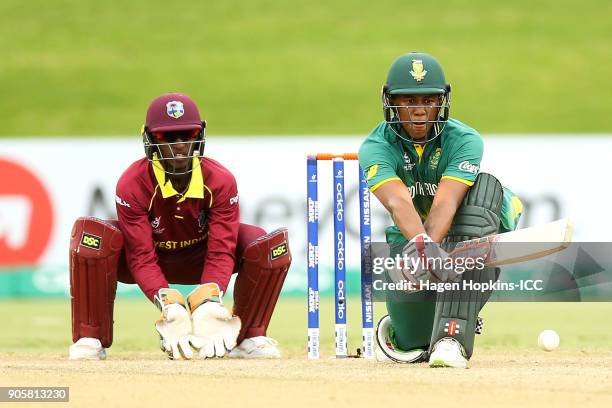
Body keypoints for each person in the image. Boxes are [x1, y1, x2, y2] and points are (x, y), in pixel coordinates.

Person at [68, 93, 291, 360]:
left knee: (263, 243)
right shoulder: (132, 183)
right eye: (167, 138)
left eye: (187, 134)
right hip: (146, 260)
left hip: (199, 258)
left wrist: (209, 301)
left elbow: (222, 250)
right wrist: (169, 304)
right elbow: (140, 255)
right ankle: (90, 338)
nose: (179, 146)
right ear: (149, 139)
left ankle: (248, 337)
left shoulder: (220, 180)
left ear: (199, 135)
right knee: (93, 237)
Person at [358, 52, 522, 368]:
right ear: (390, 102)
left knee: (478, 206)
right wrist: (423, 248)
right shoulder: (375, 146)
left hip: (466, 219)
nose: (420, 110)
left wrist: (431, 249)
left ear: (442, 101)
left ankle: (454, 336)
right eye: (408, 102)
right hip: (412, 230)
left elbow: (447, 201)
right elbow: (397, 202)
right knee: (414, 340)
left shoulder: (464, 139)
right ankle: (420, 325)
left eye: (429, 100)